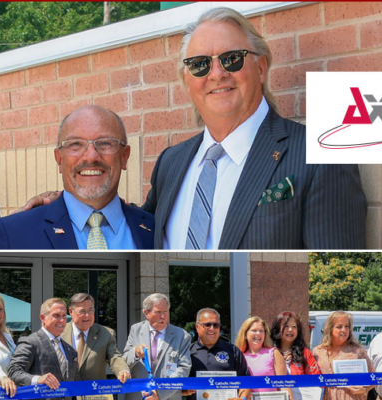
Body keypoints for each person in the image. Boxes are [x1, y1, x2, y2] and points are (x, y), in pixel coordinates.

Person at [142, 7, 366, 249]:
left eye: (231, 59)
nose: (217, 74)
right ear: (188, 80)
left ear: (260, 68)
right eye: (200, 64)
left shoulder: (320, 156)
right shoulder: (170, 163)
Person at [0, 105, 154, 250]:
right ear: (59, 159)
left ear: (124, 156)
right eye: (76, 145)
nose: (91, 156)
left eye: (105, 143)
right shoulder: (12, 234)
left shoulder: (156, 230)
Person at [7, 298, 80, 400]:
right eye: (56, 315)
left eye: (64, 316)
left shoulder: (70, 350)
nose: (62, 320)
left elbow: (75, 387)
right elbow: (14, 372)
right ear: (43, 317)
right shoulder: (30, 342)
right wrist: (37, 379)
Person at [122, 293, 191, 400]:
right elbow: (124, 359)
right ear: (146, 313)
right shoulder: (136, 330)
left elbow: (183, 368)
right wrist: (135, 353)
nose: (163, 316)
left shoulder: (181, 335)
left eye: (165, 312)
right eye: (158, 312)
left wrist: (159, 393)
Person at [61, 293, 131, 400]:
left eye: (90, 310)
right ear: (71, 312)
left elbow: (114, 356)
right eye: (82, 311)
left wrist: (122, 369)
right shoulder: (59, 332)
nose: (87, 315)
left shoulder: (105, 333)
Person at [183, 308, 250, 400]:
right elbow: (177, 383)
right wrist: (185, 391)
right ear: (197, 327)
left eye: (216, 325)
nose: (212, 328)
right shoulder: (187, 352)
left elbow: (246, 380)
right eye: (207, 324)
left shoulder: (232, 351)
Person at [311, 311, 374, 400]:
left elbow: (373, 378)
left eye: (347, 326)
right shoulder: (318, 351)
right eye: (339, 326)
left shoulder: (357, 352)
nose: (344, 330)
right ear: (330, 328)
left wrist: (364, 389)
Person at [235, 316, 295, 400]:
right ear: (245, 333)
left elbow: (283, 383)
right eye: (254, 330)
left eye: (261, 331)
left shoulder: (273, 353)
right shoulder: (237, 356)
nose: (258, 334)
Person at [269, 311, 322, 400]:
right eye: (286, 326)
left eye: (294, 327)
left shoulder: (305, 353)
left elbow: (316, 380)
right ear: (277, 329)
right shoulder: (268, 352)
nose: (290, 330)